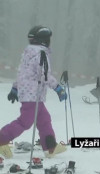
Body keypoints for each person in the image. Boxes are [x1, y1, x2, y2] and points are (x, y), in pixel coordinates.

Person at [0, 25, 67, 158]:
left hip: (34, 95)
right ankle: (1, 139)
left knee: (44, 120)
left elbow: (22, 73)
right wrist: (58, 88)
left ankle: (50, 147)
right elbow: (45, 75)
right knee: (25, 121)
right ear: (44, 40)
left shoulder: (28, 53)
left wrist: (15, 88)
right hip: (33, 95)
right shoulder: (41, 53)